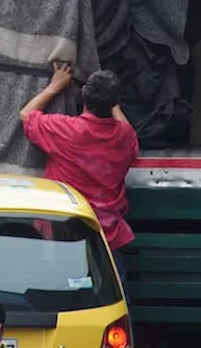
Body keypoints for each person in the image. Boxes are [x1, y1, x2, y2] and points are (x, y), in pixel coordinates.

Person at [20, 65, 139, 298]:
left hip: (64, 238)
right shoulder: (124, 138)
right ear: (114, 103)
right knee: (113, 305)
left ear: (83, 94)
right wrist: (112, 102)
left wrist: (55, 86)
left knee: (64, 304)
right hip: (107, 238)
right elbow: (127, 130)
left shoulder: (67, 130)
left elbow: (26, 115)